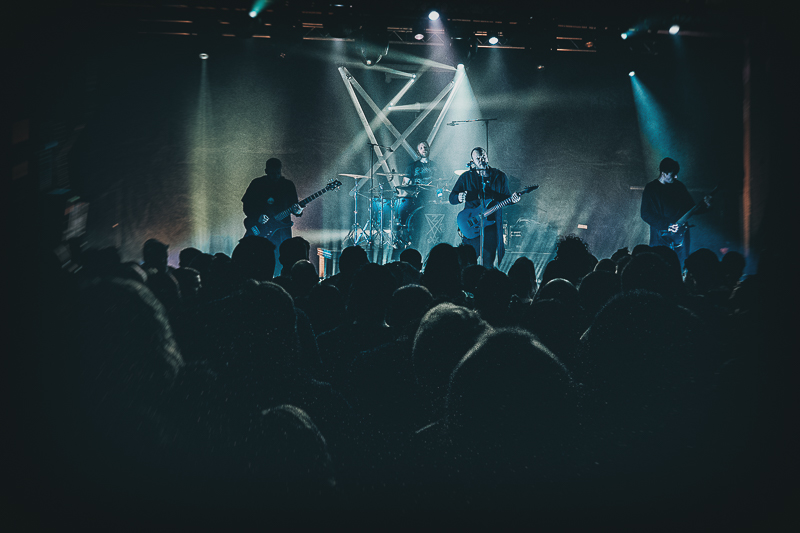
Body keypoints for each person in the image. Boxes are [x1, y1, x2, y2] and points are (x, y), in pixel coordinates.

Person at [449, 147, 519, 267]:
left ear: (487, 157)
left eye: (483, 157)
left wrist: (513, 200)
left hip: (491, 227)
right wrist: (459, 197)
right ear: (472, 160)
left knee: (488, 261)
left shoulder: (500, 176)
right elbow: (452, 198)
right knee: (468, 262)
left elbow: (506, 198)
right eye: (478, 158)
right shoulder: (466, 177)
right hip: (471, 226)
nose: (481, 160)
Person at [640, 157, 711, 265]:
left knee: (681, 264)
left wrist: (706, 206)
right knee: (660, 265)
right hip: (660, 239)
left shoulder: (679, 187)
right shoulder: (651, 188)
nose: (676, 177)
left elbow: (691, 208)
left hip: (681, 238)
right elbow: (645, 214)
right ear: (663, 173)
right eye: (673, 174)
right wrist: (666, 225)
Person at [241, 158, 303, 276]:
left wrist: (299, 210)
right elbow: (247, 206)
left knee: (282, 258)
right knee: (257, 256)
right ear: (266, 171)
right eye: (272, 173)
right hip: (259, 229)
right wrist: (258, 216)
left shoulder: (288, 185)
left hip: (281, 233)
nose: (275, 176)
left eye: (278, 173)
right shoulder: (257, 184)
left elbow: (296, 209)